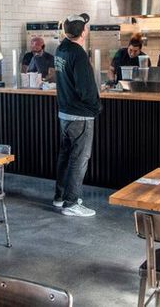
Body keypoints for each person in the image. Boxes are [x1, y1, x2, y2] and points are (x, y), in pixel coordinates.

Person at [53, 13, 101, 218]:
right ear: (84, 32)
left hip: (65, 112)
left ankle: (60, 196)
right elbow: (86, 89)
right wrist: (96, 107)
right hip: (80, 115)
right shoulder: (78, 54)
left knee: (66, 156)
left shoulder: (61, 49)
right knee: (79, 159)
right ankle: (71, 203)